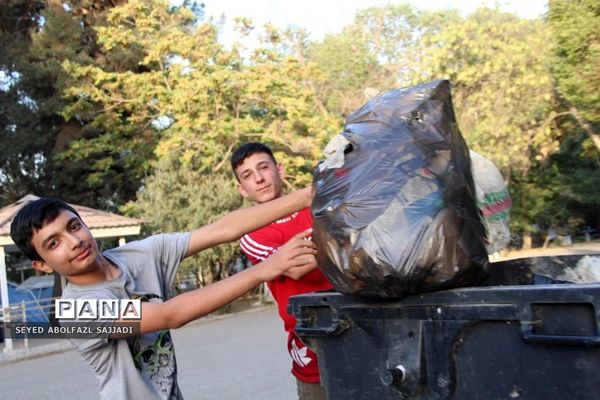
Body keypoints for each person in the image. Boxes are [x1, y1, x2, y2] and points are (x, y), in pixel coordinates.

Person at [10, 190, 315, 400]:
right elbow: (171, 314)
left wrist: (305, 196)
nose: (74, 241)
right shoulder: (76, 313)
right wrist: (267, 268)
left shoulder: (137, 255)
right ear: (41, 265)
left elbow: (222, 230)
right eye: (54, 244)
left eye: (74, 226)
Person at [231, 143, 334, 400]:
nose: (259, 178)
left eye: (264, 167)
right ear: (242, 190)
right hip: (310, 343)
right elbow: (296, 268)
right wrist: (335, 243)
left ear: (280, 169)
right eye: (248, 175)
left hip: (358, 321)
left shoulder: (318, 204)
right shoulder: (251, 233)